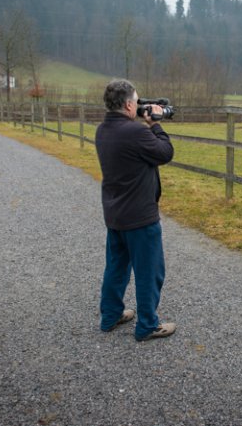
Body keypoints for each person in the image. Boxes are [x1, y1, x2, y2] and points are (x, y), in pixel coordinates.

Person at [95, 79, 176, 342]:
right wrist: (155, 123)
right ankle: (148, 325)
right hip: (140, 216)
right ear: (129, 104)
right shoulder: (135, 133)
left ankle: (110, 315)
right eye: (137, 101)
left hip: (115, 213)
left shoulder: (102, 129)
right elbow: (165, 152)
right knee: (149, 272)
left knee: (116, 266)